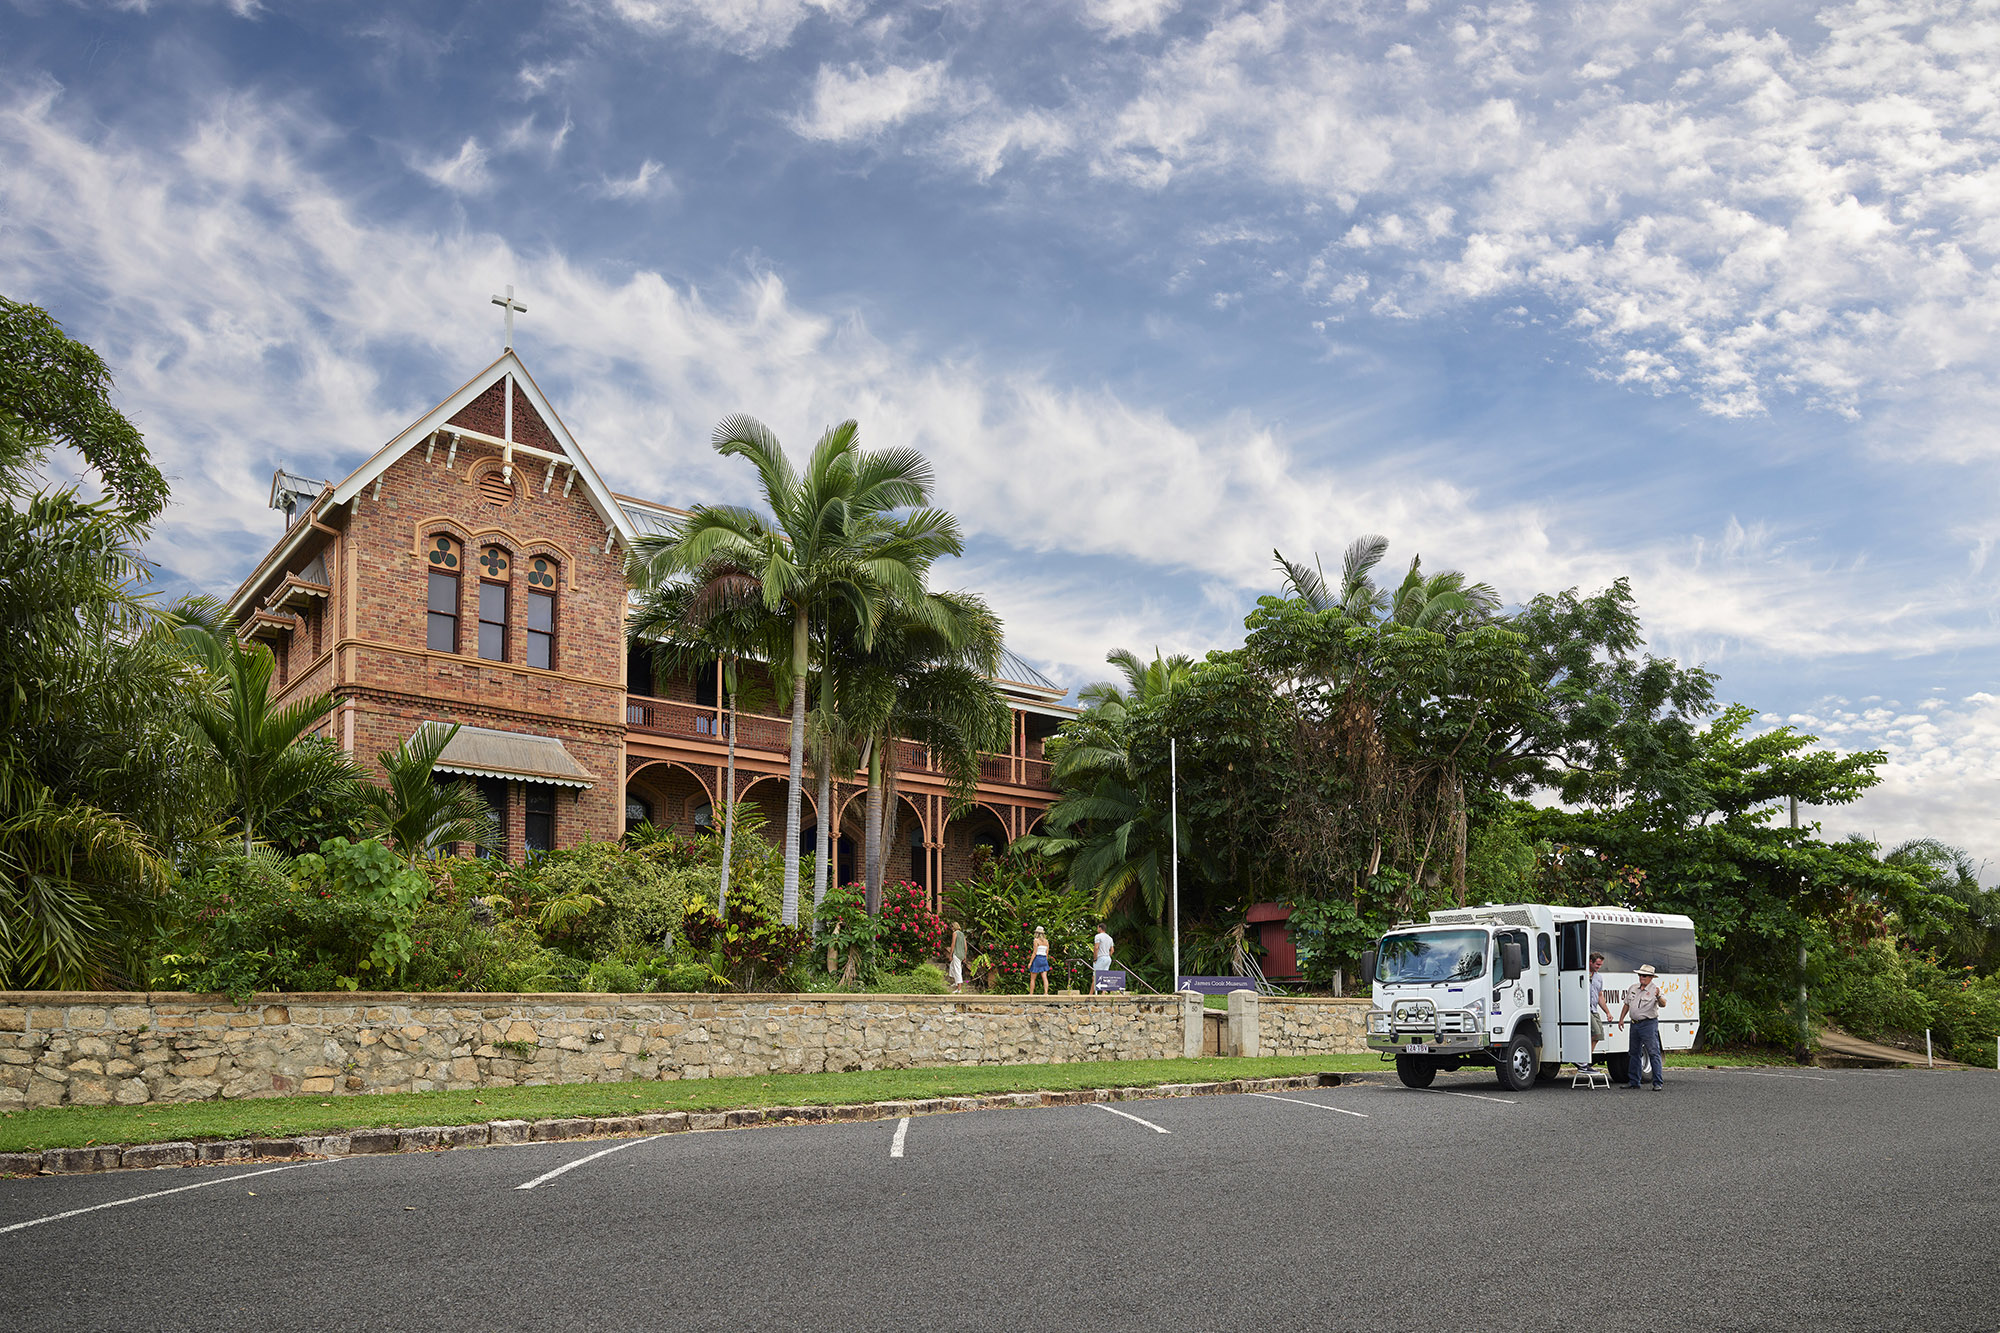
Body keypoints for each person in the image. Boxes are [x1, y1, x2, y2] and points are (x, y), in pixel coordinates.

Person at [1617, 963, 1667, 1090]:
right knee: (1634, 1053)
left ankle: (1657, 1083)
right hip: (1634, 1023)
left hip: (1648, 1024)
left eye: (1644, 975)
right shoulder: (1633, 988)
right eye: (1640, 975)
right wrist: (1621, 1018)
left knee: (1653, 1052)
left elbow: (1663, 1004)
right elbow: (1627, 1004)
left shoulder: (1655, 990)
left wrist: (1658, 996)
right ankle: (1634, 1081)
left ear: (1651, 977)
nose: (1641, 977)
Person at [1588, 952, 1612, 1062]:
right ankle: (1585, 1058)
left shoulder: (1599, 977)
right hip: (1585, 1009)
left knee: (1600, 1035)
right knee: (1596, 1033)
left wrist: (1608, 1012)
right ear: (1590, 962)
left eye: (1600, 965)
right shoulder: (1583, 974)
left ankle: (1587, 1057)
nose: (1599, 967)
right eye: (1597, 964)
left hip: (1594, 1009)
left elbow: (1600, 996)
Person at [1028, 925, 1051, 995]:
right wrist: (1045, 961)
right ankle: (1046, 993)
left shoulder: (1036, 941)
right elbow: (1047, 953)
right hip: (1044, 959)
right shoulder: (1046, 941)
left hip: (1037, 958)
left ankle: (1031, 994)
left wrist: (1030, 962)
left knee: (1032, 978)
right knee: (1045, 977)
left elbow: (1034, 952)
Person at [1092, 923, 1114, 991]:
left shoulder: (1098, 936)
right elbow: (1112, 950)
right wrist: (1108, 956)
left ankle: (1090, 994)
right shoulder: (1110, 938)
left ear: (1100, 928)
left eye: (1097, 928)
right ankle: (1103, 993)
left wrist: (1095, 959)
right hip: (1107, 958)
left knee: (1095, 977)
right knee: (1105, 977)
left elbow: (1096, 948)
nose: (1097, 929)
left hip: (1101, 958)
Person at [949, 922, 968, 991]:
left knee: (957, 970)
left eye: (952, 927)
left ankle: (959, 989)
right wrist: (965, 955)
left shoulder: (955, 933)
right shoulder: (963, 934)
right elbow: (965, 946)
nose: (951, 929)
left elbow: (953, 944)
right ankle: (956, 982)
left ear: (954, 927)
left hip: (956, 954)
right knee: (952, 967)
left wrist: (950, 954)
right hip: (962, 954)